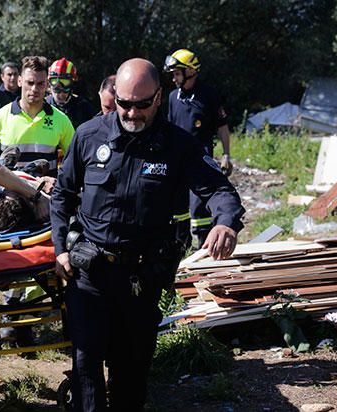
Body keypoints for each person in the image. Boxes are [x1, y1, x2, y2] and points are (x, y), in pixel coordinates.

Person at [50, 58, 245, 411]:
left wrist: (224, 222)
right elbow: (62, 195)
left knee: (131, 370)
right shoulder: (89, 136)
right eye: (124, 103)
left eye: (142, 104)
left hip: (141, 279)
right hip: (90, 273)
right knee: (85, 365)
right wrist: (59, 248)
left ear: (159, 98)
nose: (132, 112)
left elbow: (220, 190)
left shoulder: (178, 146)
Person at [164, 48, 234, 247]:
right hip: (176, 159)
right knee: (178, 206)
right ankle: (183, 246)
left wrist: (226, 154)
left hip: (200, 159)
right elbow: (169, 128)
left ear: (190, 71)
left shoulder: (208, 95)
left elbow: (222, 126)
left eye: (177, 73)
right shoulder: (172, 97)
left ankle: (204, 244)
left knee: (199, 207)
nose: (174, 78)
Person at [0, 55, 75, 176]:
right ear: (19, 81)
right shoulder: (0, 117)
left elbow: (75, 159)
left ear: (47, 84)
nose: (34, 88)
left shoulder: (61, 120)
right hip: (8, 193)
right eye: (30, 83)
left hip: (45, 192)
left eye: (40, 83)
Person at [45, 57, 94, 128]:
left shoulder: (84, 108)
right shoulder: (43, 106)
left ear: (73, 82)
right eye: (54, 81)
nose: (59, 86)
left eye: (64, 81)